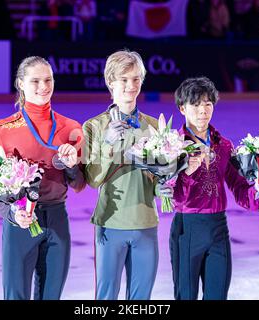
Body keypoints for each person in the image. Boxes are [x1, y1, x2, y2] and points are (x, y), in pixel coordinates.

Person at [0, 56, 86, 300]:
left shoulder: (71, 128)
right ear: (20, 84)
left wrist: (71, 167)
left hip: (58, 220)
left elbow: (79, 184)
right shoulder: (2, 130)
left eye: (48, 80)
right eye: (35, 80)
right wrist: (12, 213)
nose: (43, 86)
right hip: (20, 223)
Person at [169, 77, 259, 300]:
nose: (202, 111)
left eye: (208, 103)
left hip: (218, 229)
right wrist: (185, 174)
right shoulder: (172, 146)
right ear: (182, 108)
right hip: (187, 229)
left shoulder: (224, 145)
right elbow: (172, 197)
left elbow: (239, 188)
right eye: (196, 104)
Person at [82, 50, 172, 300]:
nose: (131, 86)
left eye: (135, 79)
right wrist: (108, 144)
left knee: (141, 300)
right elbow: (92, 179)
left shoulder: (155, 126)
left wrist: (161, 187)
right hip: (110, 224)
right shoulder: (94, 126)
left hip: (145, 222)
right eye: (124, 79)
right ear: (110, 82)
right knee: (106, 298)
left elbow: (158, 175)